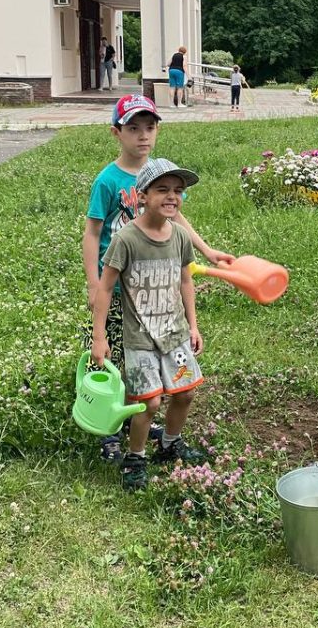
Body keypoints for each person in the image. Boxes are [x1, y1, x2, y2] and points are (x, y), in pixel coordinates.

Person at [82, 93, 232, 463]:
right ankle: (110, 430)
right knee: (114, 358)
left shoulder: (163, 179)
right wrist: (92, 281)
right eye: (134, 128)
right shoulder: (108, 179)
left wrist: (208, 251)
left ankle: (151, 428)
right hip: (116, 285)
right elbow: (91, 231)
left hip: (155, 287)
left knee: (145, 362)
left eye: (150, 128)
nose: (143, 136)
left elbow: (177, 222)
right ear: (117, 133)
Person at [92, 158, 206, 491]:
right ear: (142, 196)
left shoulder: (181, 237)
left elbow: (186, 281)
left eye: (178, 191)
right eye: (162, 190)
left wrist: (193, 325)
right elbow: (105, 287)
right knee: (149, 403)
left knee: (184, 394)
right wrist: (100, 338)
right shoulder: (127, 239)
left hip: (175, 336)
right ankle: (135, 458)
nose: (172, 197)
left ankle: (170, 444)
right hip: (140, 339)